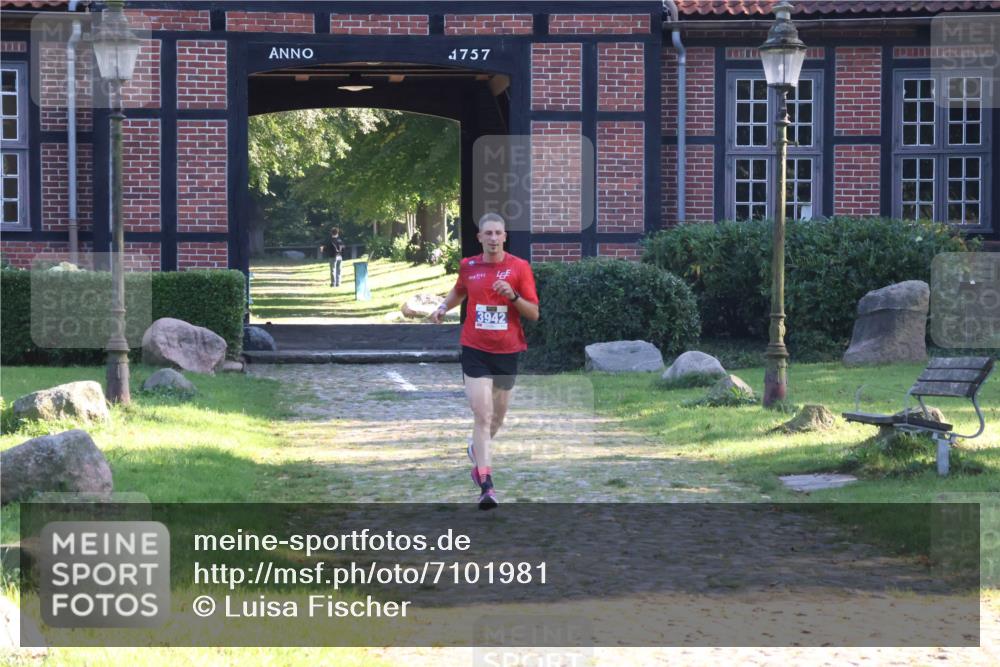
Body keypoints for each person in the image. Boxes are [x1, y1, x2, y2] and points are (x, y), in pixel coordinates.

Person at [429, 213, 539, 510]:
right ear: (479, 238)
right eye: (487, 233)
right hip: (475, 348)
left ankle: (475, 450)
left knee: (498, 418)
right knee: (482, 414)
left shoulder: (519, 268)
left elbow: (533, 313)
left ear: (505, 237)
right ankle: (486, 485)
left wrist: (514, 296)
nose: (492, 238)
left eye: (497, 233)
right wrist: (443, 306)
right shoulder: (469, 266)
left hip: (507, 350)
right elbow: (459, 291)